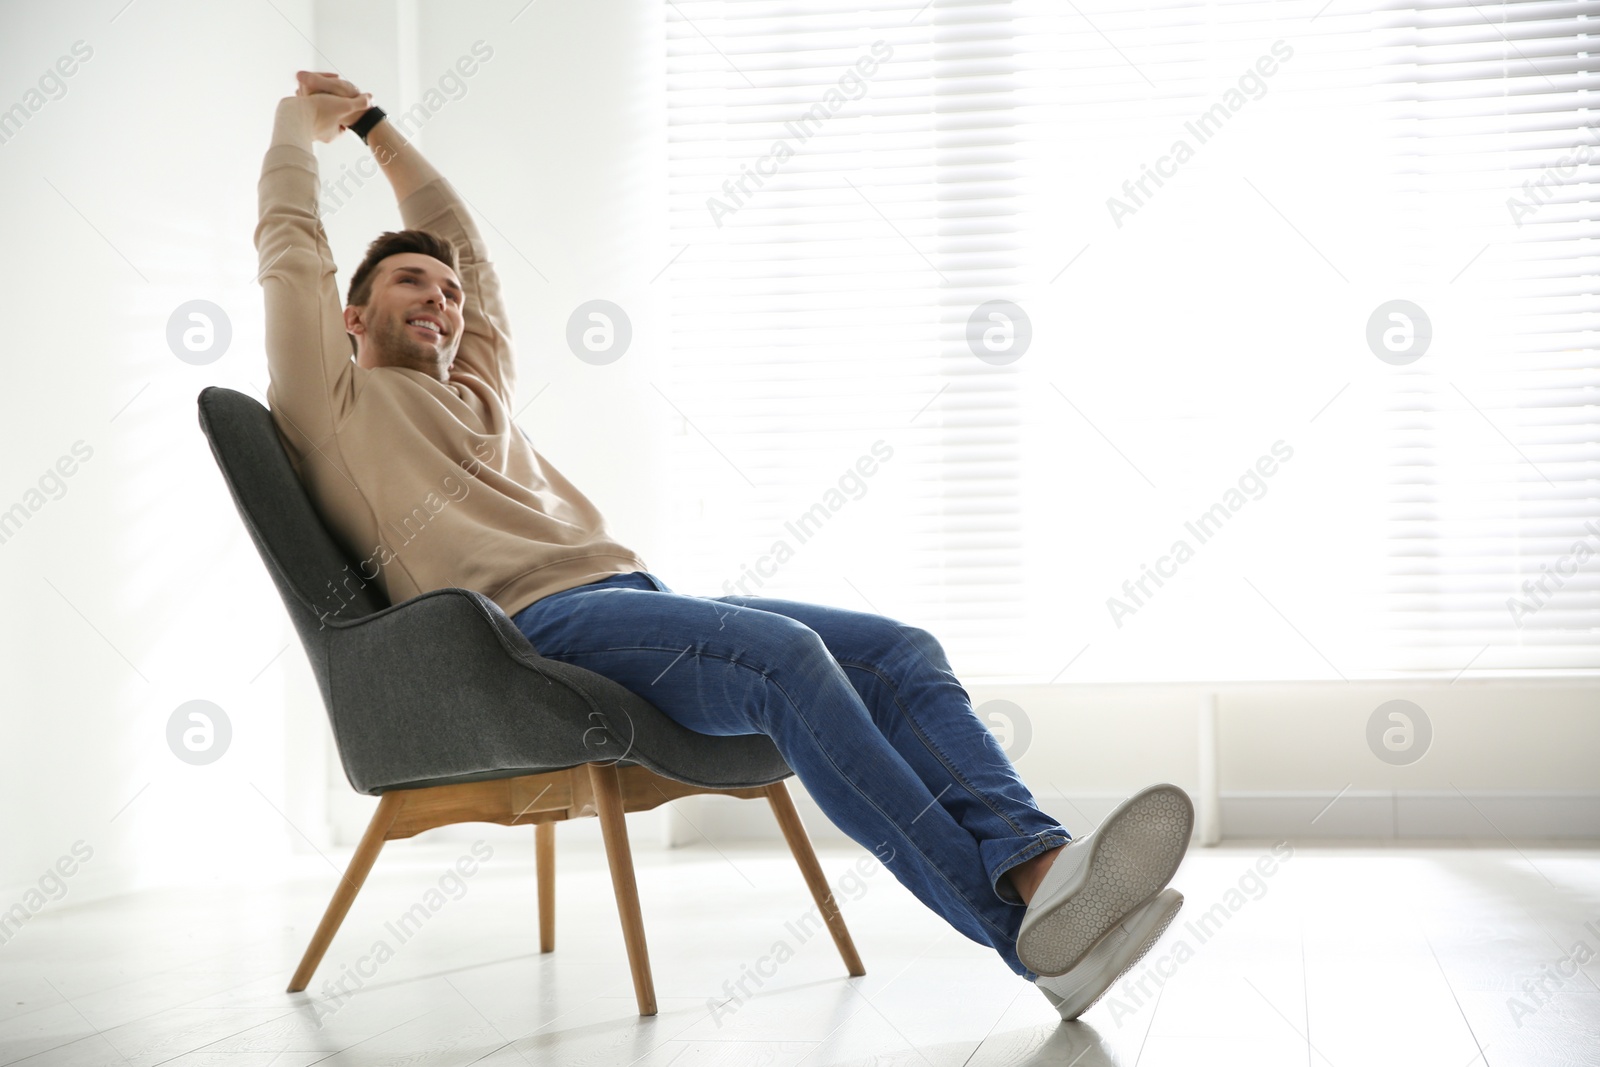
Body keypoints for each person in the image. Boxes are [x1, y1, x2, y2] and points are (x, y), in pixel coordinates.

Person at [257, 70, 1194, 1022]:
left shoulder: (478, 385)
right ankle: (1023, 942)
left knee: (902, 650)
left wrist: (376, 126)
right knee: (785, 660)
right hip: (533, 629)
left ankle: (1038, 868)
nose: (443, 299)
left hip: (628, 594)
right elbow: (290, 249)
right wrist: (300, 126)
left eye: (450, 292)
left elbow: (465, 244)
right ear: (351, 315)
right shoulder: (333, 404)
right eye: (412, 283)